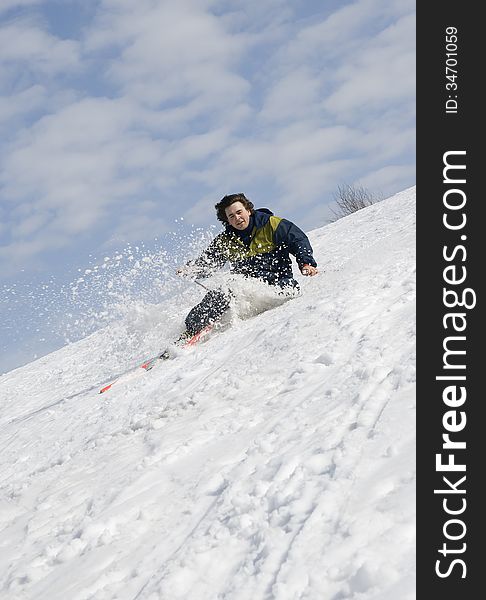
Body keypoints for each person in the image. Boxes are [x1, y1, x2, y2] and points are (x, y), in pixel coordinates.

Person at [177, 193, 318, 337]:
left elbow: (297, 240)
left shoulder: (271, 224)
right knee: (222, 293)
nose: (237, 218)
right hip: (246, 287)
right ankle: (191, 330)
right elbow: (209, 261)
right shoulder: (226, 240)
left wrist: (305, 263)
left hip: (278, 281)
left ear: (248, 210)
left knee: (288, 289)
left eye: (239, 212)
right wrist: (191, 269)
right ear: (227, 221)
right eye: (231, 216)